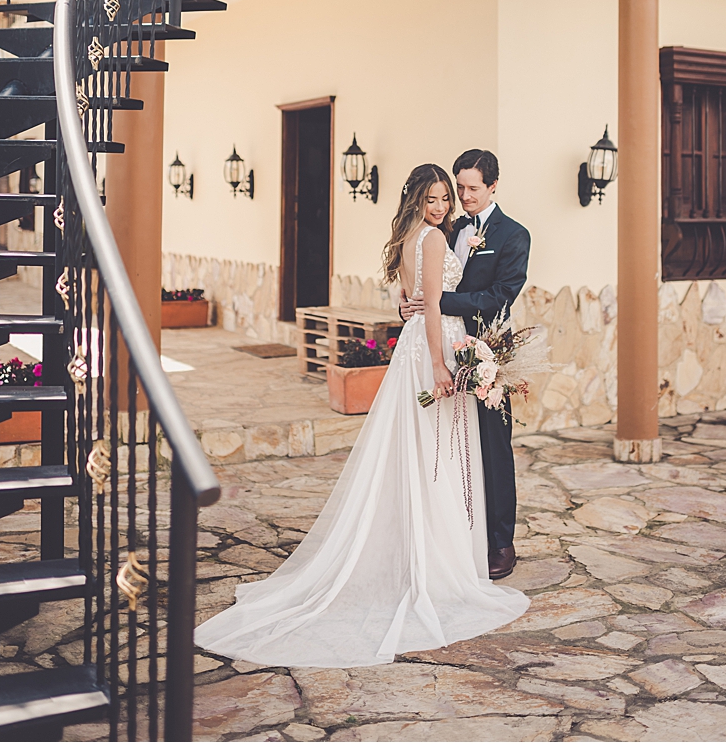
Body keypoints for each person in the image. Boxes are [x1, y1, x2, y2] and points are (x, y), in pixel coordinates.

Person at [194, 164, 529, 667]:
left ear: (489, 188)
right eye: (439, 196)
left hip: (427, 346)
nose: (447, 204)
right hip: (434, 349)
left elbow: (445, 295)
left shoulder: (418, 236)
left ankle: (442, 549)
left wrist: (421, 310)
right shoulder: (438, 237)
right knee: (437, 453)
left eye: (453, 195)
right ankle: (434, 562)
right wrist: (439, 358)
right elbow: (430, 304)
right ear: (419, 198)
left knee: (424, 450)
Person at [400, 149, 531, 580]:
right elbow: (420, 275)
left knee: (493, 447)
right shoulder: (445, 226)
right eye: (460, 188)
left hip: (488, 353)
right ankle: (460, 535)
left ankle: (500, 542)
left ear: (493, 186)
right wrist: (409, 306)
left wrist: (435, 303)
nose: (463, 196)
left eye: (473, 188)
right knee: (454, 448)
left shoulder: (514, 235)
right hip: (446, 348)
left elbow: (499, 297)